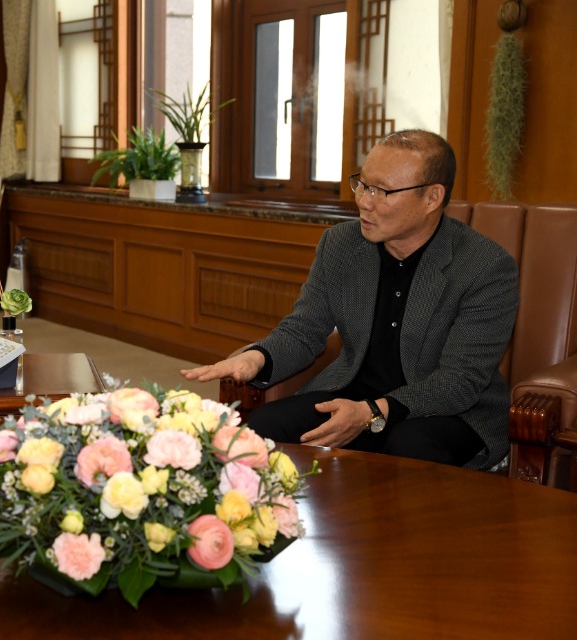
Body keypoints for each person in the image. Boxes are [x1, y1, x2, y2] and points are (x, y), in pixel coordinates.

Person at [182, 129, 519, 470]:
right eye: (362, 184)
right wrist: (257, 358)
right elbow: (304, 330)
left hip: (448, 410)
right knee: (260, 430)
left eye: (382, 191)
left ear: (432, 198)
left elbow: (459, 381)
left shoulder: (485, 267)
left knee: (409, 447)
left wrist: (373, 413)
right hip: (353, 391)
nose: (363, 201)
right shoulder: (342, 245)